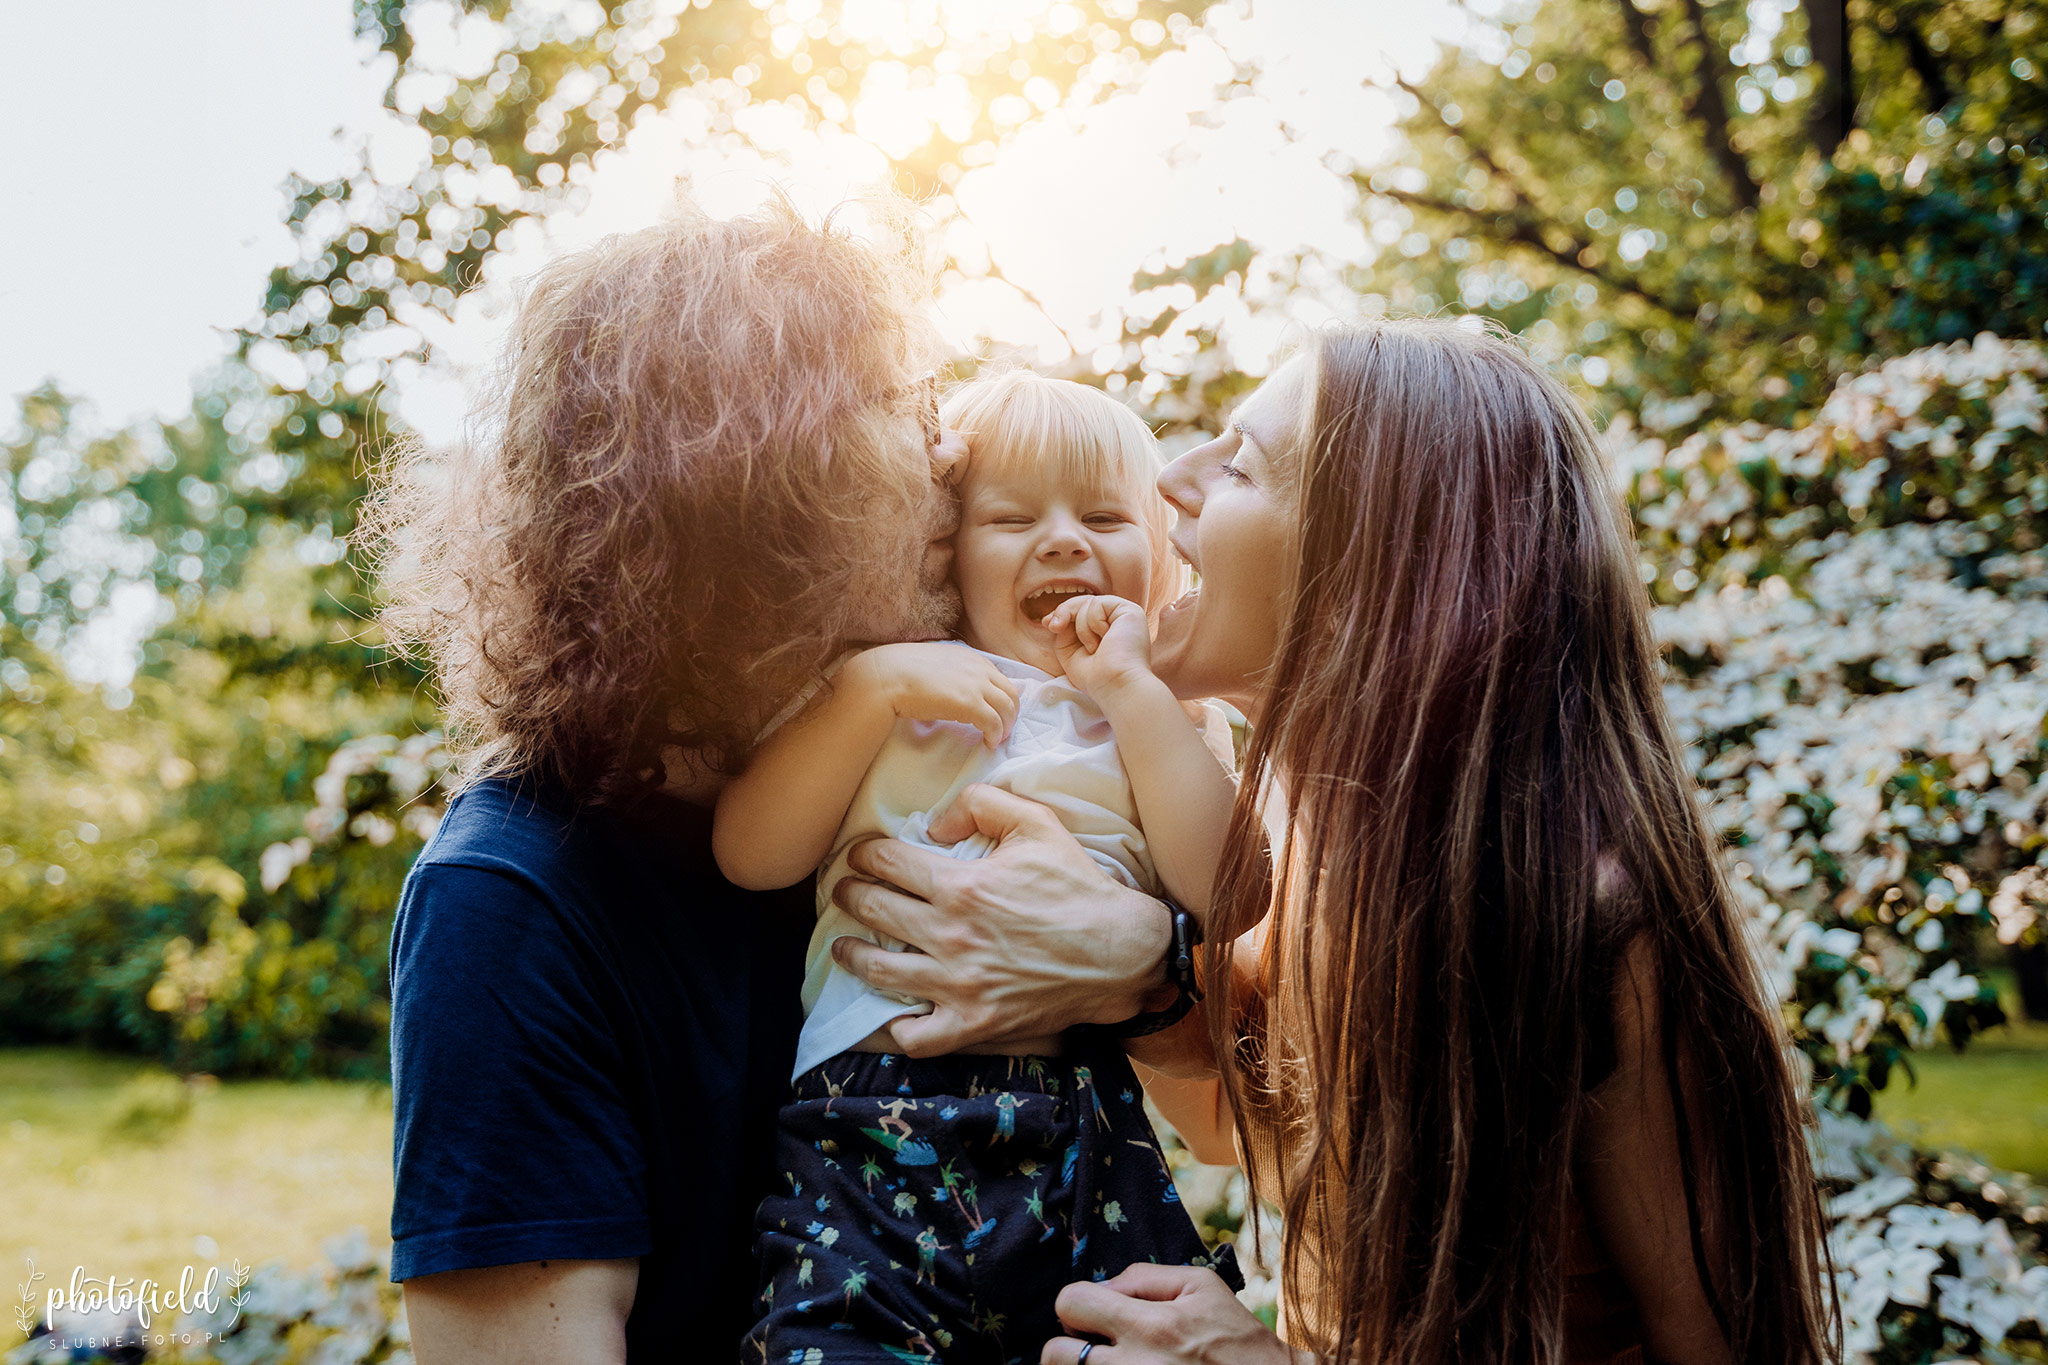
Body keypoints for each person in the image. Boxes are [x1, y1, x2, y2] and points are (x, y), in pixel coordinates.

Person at [824, 321, 1840, 1363]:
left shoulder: (1590, 915)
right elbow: (1240, 1126)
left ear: (1375, 563)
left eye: (1239, 467)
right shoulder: (1294, 845)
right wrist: (1139, 973)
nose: (1168, 480)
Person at [358, 200, 1188, 1365]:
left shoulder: (944, 759)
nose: (945, 462)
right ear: (777, 496)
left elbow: (1254, 1109)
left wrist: (1147, 962)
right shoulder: (509, 901)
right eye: (901, 421)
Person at [714, 372, 1242, 1358]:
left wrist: (1133, 695)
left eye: (1102, 515)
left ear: (1159, 562)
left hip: (1083, 1121)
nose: (1061, 539)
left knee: (1113, 1338)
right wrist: (865, 692)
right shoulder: (900, 682)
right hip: (869, 1107)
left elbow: (1224, 892)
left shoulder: (1155, 718)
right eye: (1009, 517)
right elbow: (751, 854)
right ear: (943, 559)